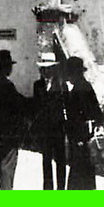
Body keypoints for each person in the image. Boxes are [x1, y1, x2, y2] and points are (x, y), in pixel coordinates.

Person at [0, 50, 30, 190]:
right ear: (6, 67)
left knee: (2, 161)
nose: (10, 68)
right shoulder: (6, 84)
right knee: (8, 163)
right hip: (9, 129)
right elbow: (17, 102)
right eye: (9, 65)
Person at [63, 56, 102, 190]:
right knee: (85, 174)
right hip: (82, 138)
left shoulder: (80, 89)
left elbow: (87, 114)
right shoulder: (83, 87)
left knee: (79, 175)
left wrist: (81, 134)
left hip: (81, 139)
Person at [32, 51, 67, 190]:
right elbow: (36, 107)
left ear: (53, 69)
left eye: (48, 68)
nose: (45, 71)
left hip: (58, 128)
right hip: (44, 130)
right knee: (46, 160)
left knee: (60, 160)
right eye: (43, 68)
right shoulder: (37, 85)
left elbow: (66, 106)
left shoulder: (61, 85)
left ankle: (61, 188)